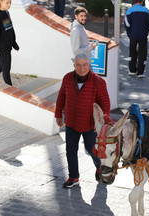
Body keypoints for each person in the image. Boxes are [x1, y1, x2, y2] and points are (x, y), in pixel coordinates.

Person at [55, 54, 110, 188]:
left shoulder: (98, 82)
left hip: (90, 125)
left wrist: (101, 123)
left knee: (91, 149)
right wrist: (58, 114)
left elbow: (105, 103)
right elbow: (61, 96)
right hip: (71, 123)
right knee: (70, 150)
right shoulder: (68, 78)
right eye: (78, 65)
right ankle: (74, 177)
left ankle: (99, 168)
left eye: (85, 64)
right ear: (74, 65)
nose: (82, 68)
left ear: (89, 65)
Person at [0, 0, 19, 86]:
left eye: (10, 2)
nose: (9, 5)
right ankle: (11, 90)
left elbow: (10, 30)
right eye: (7, 3)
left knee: (1, 67)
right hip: (3, 48)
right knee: (6, 71)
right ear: (0, 2)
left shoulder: (6, 13)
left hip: (8, 47)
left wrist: (14, 44)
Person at [124, 0, 149, 78]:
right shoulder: (146, 10)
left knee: (132, 52)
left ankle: (132, 70)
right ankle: (140, 72)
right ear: (141, 2)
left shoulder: (130, 10)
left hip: (132, 35)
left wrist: (129, 32)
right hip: (143, 35)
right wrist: (146, 30)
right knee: (142, 53)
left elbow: (127, 23)